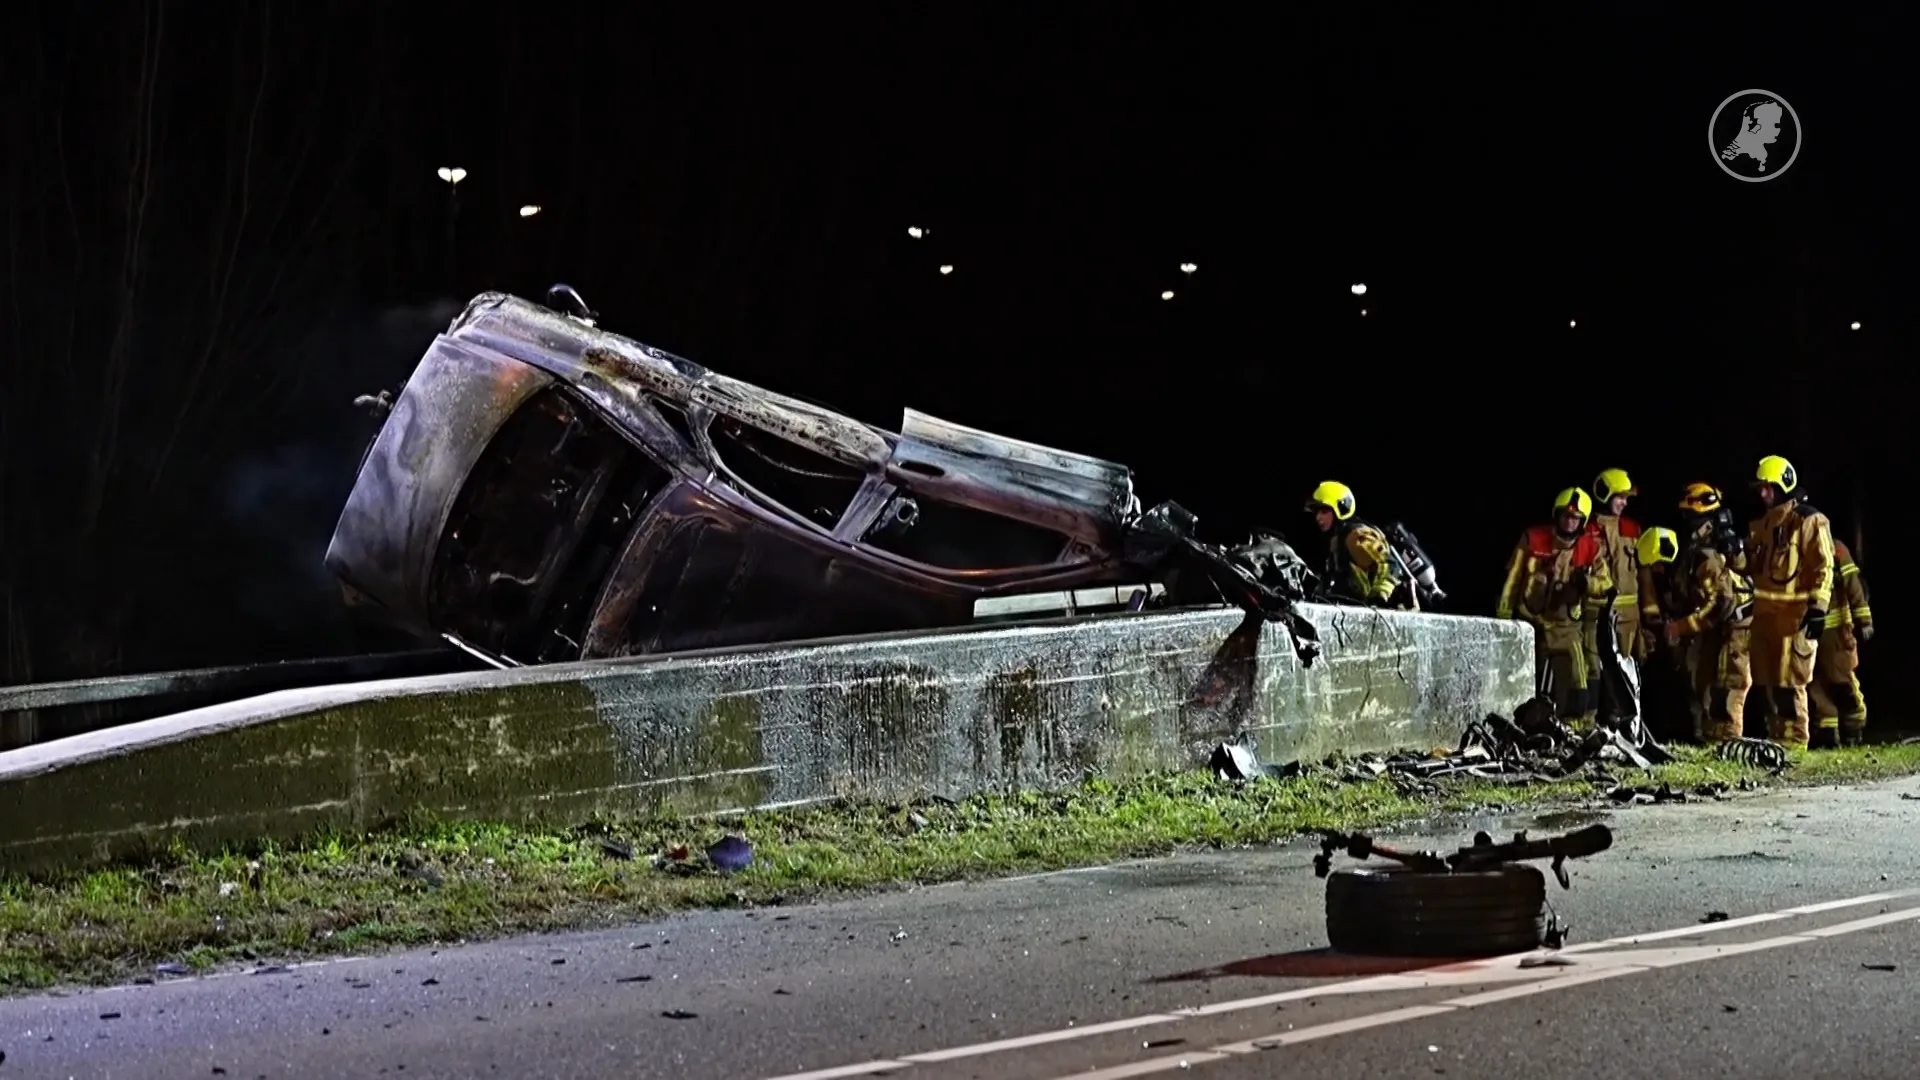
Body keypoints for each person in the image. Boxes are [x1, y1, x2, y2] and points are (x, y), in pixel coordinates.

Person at [1496, 488, 1612, 728]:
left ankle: (1571, 730)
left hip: (1566, 626)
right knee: (1521, 681)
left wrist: (1586, 583)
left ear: (1582, 522)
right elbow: (1513, 580)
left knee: (1576, 684)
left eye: (1575, 518)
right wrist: (1504, 619)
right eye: (1565, 516)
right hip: (1530, 624)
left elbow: (1606, 583)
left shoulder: (1590, 548)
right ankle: (1520, 728)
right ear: (1556, 515)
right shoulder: (1533, 538)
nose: (1569, 522)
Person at [1649, 486, 1756, 743]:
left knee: (1728, 686)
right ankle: (1710, 739)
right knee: (1705, 682)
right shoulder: (1698, 552)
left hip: (1736, 626)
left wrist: (1681, 627)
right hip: (1718, 627)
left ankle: (1727, 742)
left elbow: (1721, 603)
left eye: (1690, 517)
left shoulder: (1708, 556)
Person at [1743, 455, 1835, 751]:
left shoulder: (1809, 520)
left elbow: (1824, 567)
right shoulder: (1764, 523)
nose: (1763, 494)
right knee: (1767, 684)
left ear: (1784, 485)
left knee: (1789, 683)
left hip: (1794, 618)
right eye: (1761, 488)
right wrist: (1733, 552)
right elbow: (1750, 567)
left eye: (1768, 487)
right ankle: (1776, 744)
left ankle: (1794, 745)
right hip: (1764, 619)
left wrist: (1818, 609)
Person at [1584, 468, 1646, 724]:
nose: (1624, 503)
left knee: (1626, 674)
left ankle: (1624, 726)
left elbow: (1644, 575)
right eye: (1620, 497)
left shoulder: (1633, 528)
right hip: (1597, 615)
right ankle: (1591, 725)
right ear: (1605, 494)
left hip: (1629, 618)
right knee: (1594, 672)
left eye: (1626, 498)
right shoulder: (1587, 529)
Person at [1303, 481, 1414, 609]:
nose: (1318, 517)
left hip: (1390, 613)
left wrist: (1379, 598)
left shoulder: (1355, 535)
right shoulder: (1337, 540)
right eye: (1316, 512)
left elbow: (1388, 566)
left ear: (1341, 508)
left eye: (1324, 511)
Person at [1808, 538, 1875, 747]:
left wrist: (1864, 619)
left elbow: (1853, 583)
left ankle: (1854, 730)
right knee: (1815, 685)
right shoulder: (1797, 548)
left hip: (1836, 632)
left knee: (1842, 683)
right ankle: (1828, 733)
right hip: (1809, 633)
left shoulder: (1835, 548)